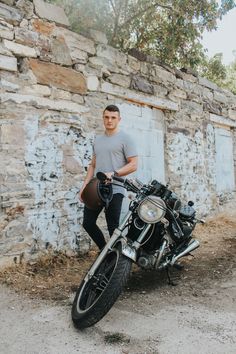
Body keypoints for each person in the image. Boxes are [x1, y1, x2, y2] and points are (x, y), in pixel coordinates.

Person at [79, 104, 138, 250]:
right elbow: (93, 165)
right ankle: (104, 250)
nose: (109, 120)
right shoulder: (98, 140)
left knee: (113, 227)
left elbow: (134, 164)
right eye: (106, 117)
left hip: (115, 189)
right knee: (88, 222)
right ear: (103, 118)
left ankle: (115, 261)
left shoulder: (126, 139)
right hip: (96, 189)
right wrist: (84, 187)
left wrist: (115, 173)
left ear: (119, 119)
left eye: (113, 117)